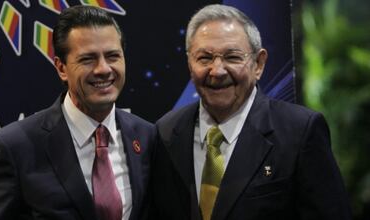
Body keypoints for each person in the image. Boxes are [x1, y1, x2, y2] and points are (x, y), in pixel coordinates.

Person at [150, 4, 351, 220]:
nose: (217, 71)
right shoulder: (166, 132)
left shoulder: (300, 132)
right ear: (190, 63)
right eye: (205, 58)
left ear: (258, 64)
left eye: (232, 57)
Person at [0, 5, 155, 220]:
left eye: (113, 56)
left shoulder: (146, 136)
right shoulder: (14, 148)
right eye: (88, 59)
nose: (103, 69)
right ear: (61, 68)